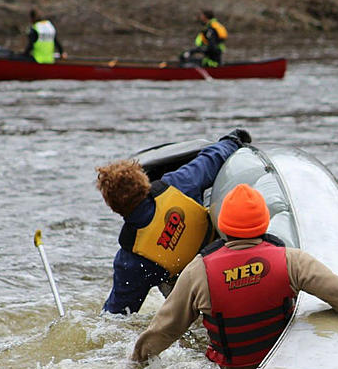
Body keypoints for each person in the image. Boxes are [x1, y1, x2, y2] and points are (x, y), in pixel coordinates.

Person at [131, 183, 338, 369]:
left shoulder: (197, 271)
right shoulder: (292, 260)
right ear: (264, 224)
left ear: (223, 227)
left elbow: (164, 329)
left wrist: (136, 363)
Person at [97, 128, 252, 315]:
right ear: (144, 181)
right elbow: (213, 157)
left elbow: (117, 315)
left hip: (199, 293)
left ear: (113, 206)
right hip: (231, 260)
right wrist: (233, 139)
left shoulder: (130, 260)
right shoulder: (178, 185)